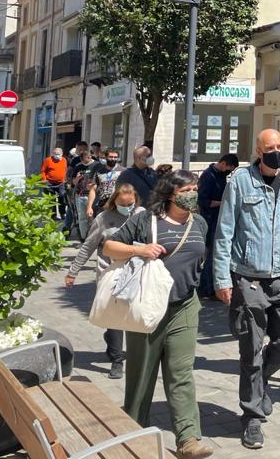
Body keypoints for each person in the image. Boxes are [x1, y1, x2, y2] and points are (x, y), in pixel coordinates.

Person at [103, 170, 214, 459]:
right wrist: (138, 249)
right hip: (147, 309)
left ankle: (188, 439)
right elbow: (109, 247)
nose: (193, 193)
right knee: (141, 375)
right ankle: (134, 432)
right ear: (169, 194)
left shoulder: (199, 222)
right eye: (186, 189)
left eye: (195, 188)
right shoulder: (145, 220)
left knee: (181, 373)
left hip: (185, 307)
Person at [213, 129, 280, 450]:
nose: (277, 152)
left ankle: (261, 380)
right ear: (258, 151)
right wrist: (221, 278)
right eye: (270, 148)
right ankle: (252, 416)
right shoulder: (240, 181)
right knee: (251, 348)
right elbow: (225, 230)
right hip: (249, 276)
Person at [64, 182, 142, 380]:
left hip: (135, 273)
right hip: (109, 273)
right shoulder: (104, 218)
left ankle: (117, 342)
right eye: (123, 203)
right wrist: (73, 272)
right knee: (115, 317)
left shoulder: (142, 214)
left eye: (130, 203)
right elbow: (88, 246)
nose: (127, 207)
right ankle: (117, 359)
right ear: (114, 200)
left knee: (133, 314)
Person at [197, 153, 240, 298]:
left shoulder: (220, 176)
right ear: (223, 164)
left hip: (218, 217)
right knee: (213, 253)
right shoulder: (209, 176)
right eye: (230, 168)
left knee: (216, 252)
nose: (229, 171)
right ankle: (208, 287)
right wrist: (222, 203)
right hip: (210, 218)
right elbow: (203, 200)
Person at [70, 148, 102, 241]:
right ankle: (84, 238)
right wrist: (78, 178)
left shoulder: (98, 166)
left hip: (94, 195)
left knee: (94, 217)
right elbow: (73, 182)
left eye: (85, 160)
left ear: (90, 157)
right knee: (82, 217)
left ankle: (95, 237)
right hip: (80, 195)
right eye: (82, 161)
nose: (84, 163)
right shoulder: (78, 166)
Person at [89, 148, 125, 221]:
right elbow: (93, 189)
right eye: (111, 157)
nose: (113, 159)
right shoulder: (99, 172)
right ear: (106, 157)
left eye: (115, 157)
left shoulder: (123, 172)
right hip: (102, 205)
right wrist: (89, 207)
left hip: (117, 206)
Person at [41, 147, 68, 219]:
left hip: (61, 183)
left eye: (58, 154)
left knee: (62, 197)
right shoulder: (48, 160)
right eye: (55, 154)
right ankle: (53, 215)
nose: (56, 155)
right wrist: (44, 180)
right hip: (49, 182)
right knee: (51, 199)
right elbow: (43, 171)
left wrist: (65, 179)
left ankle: (62, 213)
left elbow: (65, 170)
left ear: (61, 154)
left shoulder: (64, 160)